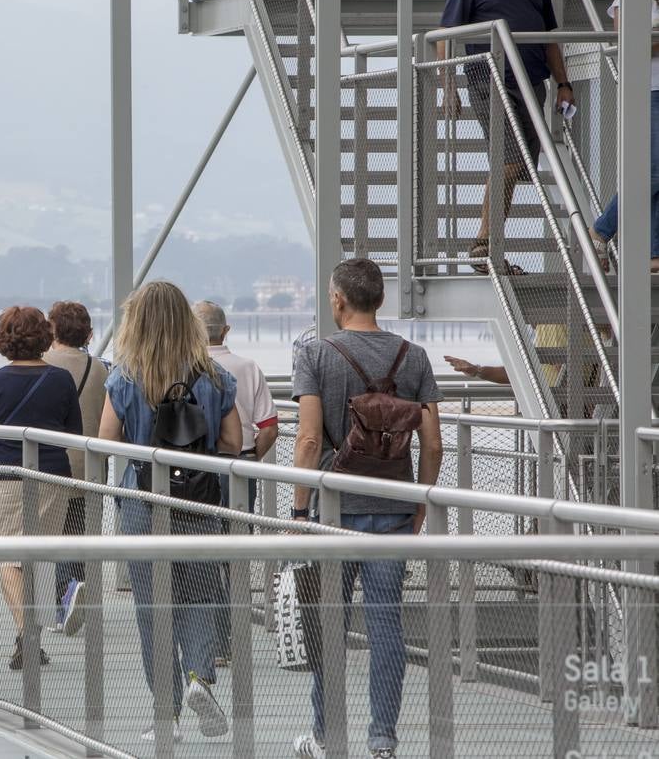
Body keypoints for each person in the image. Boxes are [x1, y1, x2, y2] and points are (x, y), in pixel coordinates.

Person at [290, 258, 444, 759]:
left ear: (338, 299)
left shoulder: (316, 354)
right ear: (379, 299)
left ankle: (324, 735)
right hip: (396, 506)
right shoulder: (414, 357)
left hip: (335, 510)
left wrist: (298, 510)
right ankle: (383, 741)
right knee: (386, 625)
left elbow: (309, 439)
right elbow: (434, 444)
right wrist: (420, 500)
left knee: (330, 623)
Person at [97, 281, 236, 742]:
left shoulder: (125, 375)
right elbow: (235, 442)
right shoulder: (214, 376)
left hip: (142, 503)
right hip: (197, 502)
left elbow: (105, 439)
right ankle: (199, 676)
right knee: (198, 595)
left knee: (153, 609)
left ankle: (166, 716)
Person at [438, 0, 577, 275]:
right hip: (490, 81)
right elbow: (446, 35)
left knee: (516, 168)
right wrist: (447, 86)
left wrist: (563, 83)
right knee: (510, 161)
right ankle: (484, 245)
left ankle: (490, 246)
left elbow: (549, 37)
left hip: (533, 84)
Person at [0, 306, 82, 671]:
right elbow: (73, 433)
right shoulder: (61, 379)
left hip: (6, 474)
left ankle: (24, 632)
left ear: (5, 339)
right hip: (51, 474)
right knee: (42, 557)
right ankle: (35, 637)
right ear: (43, 337)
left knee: (9, 557)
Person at [590, 0, 659, 275]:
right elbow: (630, 45)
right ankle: (602, 230)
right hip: (647, 89)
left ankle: (654, 251)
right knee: (652, 168)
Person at [41, 300, 108, 635]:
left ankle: (63, 602)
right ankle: (76, 589)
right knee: (77, 533)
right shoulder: (100, 368)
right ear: (88, 332)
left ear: (52, 329)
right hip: (90, 465)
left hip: (49, 462)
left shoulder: (42, 364)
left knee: (55, 538)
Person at [193, 300, 278, 514]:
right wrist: (252, 456)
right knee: (239, 530)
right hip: (241, 459)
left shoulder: (185, 368)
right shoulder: (248, 367)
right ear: (226, 330)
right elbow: (269, 428)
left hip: (195, 462)